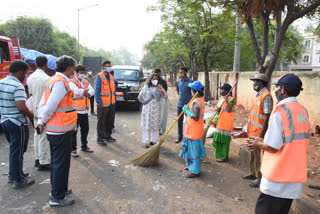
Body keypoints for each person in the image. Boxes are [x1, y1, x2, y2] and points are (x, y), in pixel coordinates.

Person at [246, 74, 309, 214]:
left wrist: (259, 144)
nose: (277, 90)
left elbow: (274, 146)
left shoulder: (281, 111)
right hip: (294, 176)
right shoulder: (303, 111)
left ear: (283, 90)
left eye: (278, 87)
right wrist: (262, 142)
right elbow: (290, 140)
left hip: (277, 177)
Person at [37, 55, 77, 206]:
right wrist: (42, 121)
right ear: (68, 68)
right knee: (60, 162)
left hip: (57, 130)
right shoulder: (60, 83)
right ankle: (57, 197)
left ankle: (59, 189)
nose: (74, 70)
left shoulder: (53, 80)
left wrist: (41, 121)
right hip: (60, 130)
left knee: (57, 162)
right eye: (73, 67)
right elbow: (50, 106)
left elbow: (43, 103)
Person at [0, 60, 35, 189]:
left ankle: (13, 174)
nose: (25, 76)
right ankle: (18, 180)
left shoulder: (1, 82)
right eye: (24, 73)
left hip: (5, 121)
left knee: (14, 150)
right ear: (19, 72)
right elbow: (21, 107)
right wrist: (31, 116)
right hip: (17, 122)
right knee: (18, 151)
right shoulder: (17, 86)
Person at [242, 73, 273, 188]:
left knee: (259, 157)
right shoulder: (259, 95)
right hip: (252, 131)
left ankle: (259, 178)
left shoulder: (266, 96)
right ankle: (253, 173)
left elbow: (266, 117)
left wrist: (261, 136)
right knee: (253, 155)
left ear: (260, 83)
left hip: (258, 133)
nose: (254, 84)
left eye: (255, 82)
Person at [26, 55, 51, 171]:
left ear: (36, 64)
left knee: (37, 134)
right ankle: (43, 161)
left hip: (35, 110)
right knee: (43, 137)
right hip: (43, 111)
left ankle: (37, 158)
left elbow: (31, 95)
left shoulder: (30, 78)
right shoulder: (47, 79)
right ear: (46, 64)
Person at [179, 81, 206, 178]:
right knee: (189, 150)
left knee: (194, 151)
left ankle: (195, 171)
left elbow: (195, 117)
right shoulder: (197, 100)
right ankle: (191, 167)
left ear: (195, 91)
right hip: (191, 129)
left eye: (192, 89)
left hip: (194, 131)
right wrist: (187, 111)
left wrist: (186, 110)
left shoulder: (197, 102)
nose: (191, 90)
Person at [69, 64, 94, 157]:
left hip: (84, 110)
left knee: (85, 129)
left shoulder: (85, 81)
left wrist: (84, 93)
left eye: (84, 73)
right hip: (75, 110)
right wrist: (84, 92)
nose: (82, 75)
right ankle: (73, 149)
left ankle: (84, 146)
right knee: (74, 131)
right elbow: (75, 92)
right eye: (81, 73)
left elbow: (92, 91)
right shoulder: (71, 82)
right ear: (76, 73)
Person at [138, 73, 166, 148]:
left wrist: (161, 91)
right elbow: (140, 97)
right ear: (150, 80)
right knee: (147, 124)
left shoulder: (159, 87)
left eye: (157, 79)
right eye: (154, 79)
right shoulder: (146, 87)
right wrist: (145, 102)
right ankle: (147, 141)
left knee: (155, 125)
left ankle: (154, 141)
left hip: (156, 109)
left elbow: (165, 96)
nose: (155, 81)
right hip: (147, 110)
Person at [95, 60, 116, 145]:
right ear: (103, 67)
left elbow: (113, 88)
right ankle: (100, 138)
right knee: (101, 122)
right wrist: (99, 102)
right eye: (107, 66)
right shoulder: (99, 76)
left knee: (110, 121)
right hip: (103, 104)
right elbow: (97, 91)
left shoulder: (111, 76)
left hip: (111, 103)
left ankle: (108, 136)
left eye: (110, 66)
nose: (109, 67)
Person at [212, 83, 235, 162]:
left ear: (227, 91)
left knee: (224, 141)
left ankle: (223, 156)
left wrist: (225, 100)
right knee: (217, 140)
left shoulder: (231, 99)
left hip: (226, 124)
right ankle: (218, 155)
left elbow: (228, 109)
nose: (221, 91)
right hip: (219, 122)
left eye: (222, 89)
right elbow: (218, 109)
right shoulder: (221, 98)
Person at [175, 67, 193, 144]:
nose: (180, 73)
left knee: (189, 121)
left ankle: (188, 136)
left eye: (182, 72)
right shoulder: (178, 82)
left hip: (188, 105)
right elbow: (178, 91)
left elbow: (193, 92)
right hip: (180, 105)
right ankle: (180, 137)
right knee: (179, 122)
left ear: (186, 72)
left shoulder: (190, 81)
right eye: (180, 72)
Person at [154, 68, 168, 135]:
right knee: (159, 116)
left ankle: (159, 129)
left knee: (160, 116)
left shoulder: (162, 81)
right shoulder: (161, 81)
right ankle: (158, 129)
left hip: (160, 100)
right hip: (159, 101)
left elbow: (165, 92)